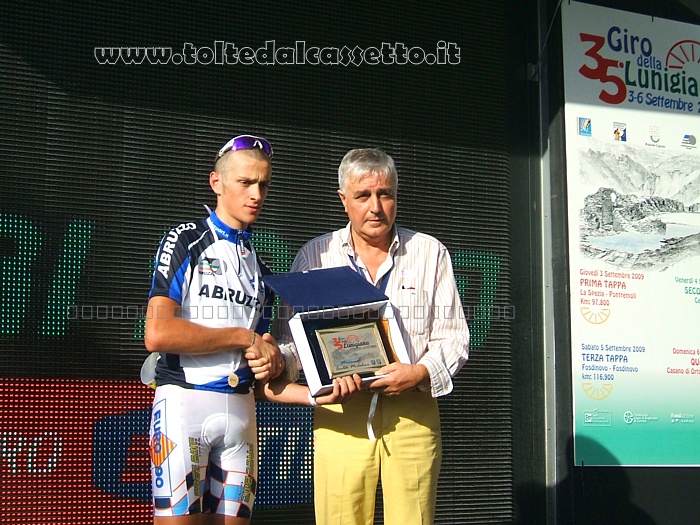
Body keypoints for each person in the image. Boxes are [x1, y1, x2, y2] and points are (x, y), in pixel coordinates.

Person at [143, 134, 356, 525]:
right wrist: (244, 337)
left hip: (242, 415)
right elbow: (157, 334)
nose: (256, 193)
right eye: (245, 182)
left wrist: (316, 394)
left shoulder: (261, 268)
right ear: (216, 182)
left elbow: (263, 382)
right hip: (183, 407)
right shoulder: (187, 240)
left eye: (264, 183)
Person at [259, 148, 470, 525]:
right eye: (363, 196)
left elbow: (453, 339)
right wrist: (279, 358)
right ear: (344, 200)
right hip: (340, 414)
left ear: (396, 197)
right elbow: (291, 342)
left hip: (413, 416)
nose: (376, 206)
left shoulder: (429, 252)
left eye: (385, 194)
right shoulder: (314, 256)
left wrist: (419, 374)